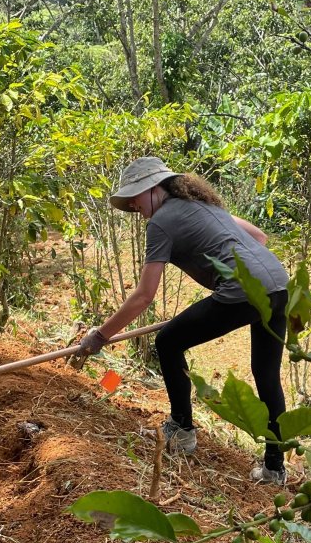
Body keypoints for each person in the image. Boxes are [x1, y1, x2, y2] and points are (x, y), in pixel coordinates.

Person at [73, 157, 291, 484]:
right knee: (266, 374)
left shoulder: (161, 222)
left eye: (136, 195)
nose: (133, 204)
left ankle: (182, 430)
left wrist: (100, 335)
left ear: (155, 188)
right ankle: (274, 469)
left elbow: (144, 295)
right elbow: (259, 238)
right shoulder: (206, 206)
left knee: (168, 342)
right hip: (279, 285)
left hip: (241, 293)